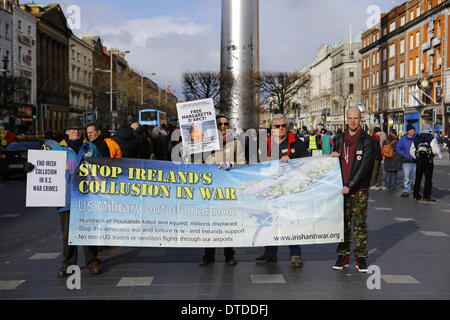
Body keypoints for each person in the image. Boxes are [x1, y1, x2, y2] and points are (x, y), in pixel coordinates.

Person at [255, 114, 309, 268]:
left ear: (287, 127)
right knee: (270, 221)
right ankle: (270, 253)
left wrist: (291, 163)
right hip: (270, 190)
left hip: (290, 191)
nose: (280, 129)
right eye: (277, 126)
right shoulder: (264, 144)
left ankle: (295, 254)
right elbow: (256, 165)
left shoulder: (297, 144)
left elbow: (306, 165)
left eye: (283, 125)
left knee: (290, 220)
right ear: (272, 128)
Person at [52, 118, 103, 277]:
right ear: (66, 131)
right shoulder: (57, 149)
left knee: (88, 229)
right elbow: (43, 168)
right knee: (68, 233)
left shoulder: (90, 147)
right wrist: (31, 168)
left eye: (78, 129)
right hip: (65, 197)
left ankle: (93, 261)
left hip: (87, 196)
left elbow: (105, 166)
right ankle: (68, 263)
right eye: (72, 129)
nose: (76, 131)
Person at [331, 107, 377, 273]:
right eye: (350, 118)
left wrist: (350, 185)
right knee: (342, 223)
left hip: (358, 188)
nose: (352, 121)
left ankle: (360, 256)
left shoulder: (368, 140)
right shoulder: (338, 138)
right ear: (346, 119)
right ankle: (342, 255)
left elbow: (365, 167)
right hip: (340, 188)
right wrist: (332, 158)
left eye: (355, 118)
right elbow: (331, 163)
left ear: (360, 119)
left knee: (359, 223)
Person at [199, 115, 247, 266]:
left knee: (227, 220)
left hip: (227, 188)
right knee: (210, 221)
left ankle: (229, 254)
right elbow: (197, 162)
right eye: (219, 124)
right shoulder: (205, 143)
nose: (223, 126)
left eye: (225, 124)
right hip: (210, 187)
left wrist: (230, 164)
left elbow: (242, 163)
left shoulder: (235, 142)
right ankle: (208, 255)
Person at [410, 128, 442, 202]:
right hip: (428, 161)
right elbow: (435, 149)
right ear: (428, 131)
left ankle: (416, 195)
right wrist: (433, 155)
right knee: (428, 179)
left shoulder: (417, 138)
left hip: (419, 161)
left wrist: (417, 157)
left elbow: (411, 150)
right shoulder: (431, 138)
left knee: (418, 178)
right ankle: (426, 196)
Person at [395, 125, 417, 198]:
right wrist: (403, 154)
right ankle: (406, 190)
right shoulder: (403, 139)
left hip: (415, 161)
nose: (413, 132)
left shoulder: (416, 138)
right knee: (406, 177)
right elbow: (397, 148)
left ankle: (416, 190)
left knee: (415, 177)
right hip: (406, 161)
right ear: (408, 131)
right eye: (411, 130)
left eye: (413, 130)